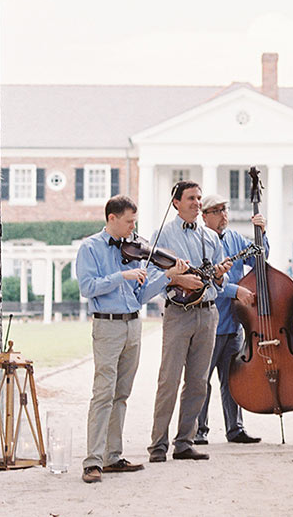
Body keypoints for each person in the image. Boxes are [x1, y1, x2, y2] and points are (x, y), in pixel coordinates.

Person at [77, 195, 188, 484]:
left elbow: (140, 296)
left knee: (122, 394)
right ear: (112, 218)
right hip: (108, 327)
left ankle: (113, 456)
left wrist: (167, 277)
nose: (133, 227)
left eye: (135, 221)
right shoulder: (90, 247)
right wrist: (121, 275)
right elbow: (88, 287)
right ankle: (92, 462)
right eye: (129, 221)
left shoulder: (133, 251)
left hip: (132, 325)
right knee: (103, 393)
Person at [146, 181, 232, 463]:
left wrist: (219, 275)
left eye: (198, 198)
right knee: (168, 380)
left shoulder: (211, 237)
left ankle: (184, 442)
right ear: (176, 203)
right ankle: (158, 445)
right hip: (178, 314)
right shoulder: (162, 234)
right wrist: (178, 278)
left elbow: (220, 283)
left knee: (198, 382)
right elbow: (152, 279)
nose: (197, 203)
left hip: (208, 314)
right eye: (191, 198)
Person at [195, 193, 263, 445]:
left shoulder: (235, 238)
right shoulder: (200, 240)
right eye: (217, 210)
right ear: (205, 216)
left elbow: (259, 259)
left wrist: (261, 233)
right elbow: (207, 277)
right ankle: (198, 431)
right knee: (202, 381)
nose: (224, 214)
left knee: (232, 380)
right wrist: (236, 291)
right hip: (210, 322)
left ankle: (235, 429)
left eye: (225, 209)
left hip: (234, 323)